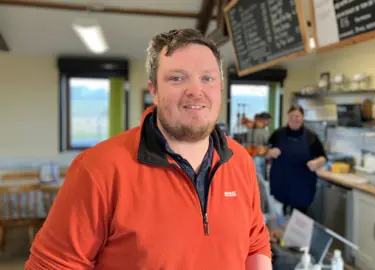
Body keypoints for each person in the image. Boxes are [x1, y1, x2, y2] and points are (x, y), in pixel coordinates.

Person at [26, 29, 271, 270]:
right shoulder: (98, 168)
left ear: (220, 87)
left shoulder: (240, 160)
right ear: (154, 90)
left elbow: (255, 243)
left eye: (207, 78)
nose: (196, 91)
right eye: (177, 78)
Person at [266, 104, 327, 216]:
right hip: (281, 186)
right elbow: (265, 153)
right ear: (287, 116)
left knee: (299, 222)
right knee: (279, 220)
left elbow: (323, 157)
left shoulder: (311, 137)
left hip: (302, 188)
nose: (294, 119)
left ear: (302, 117)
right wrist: (270, 153)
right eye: (291, 116)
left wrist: (317, 162)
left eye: (297, 116)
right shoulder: (277, 134)